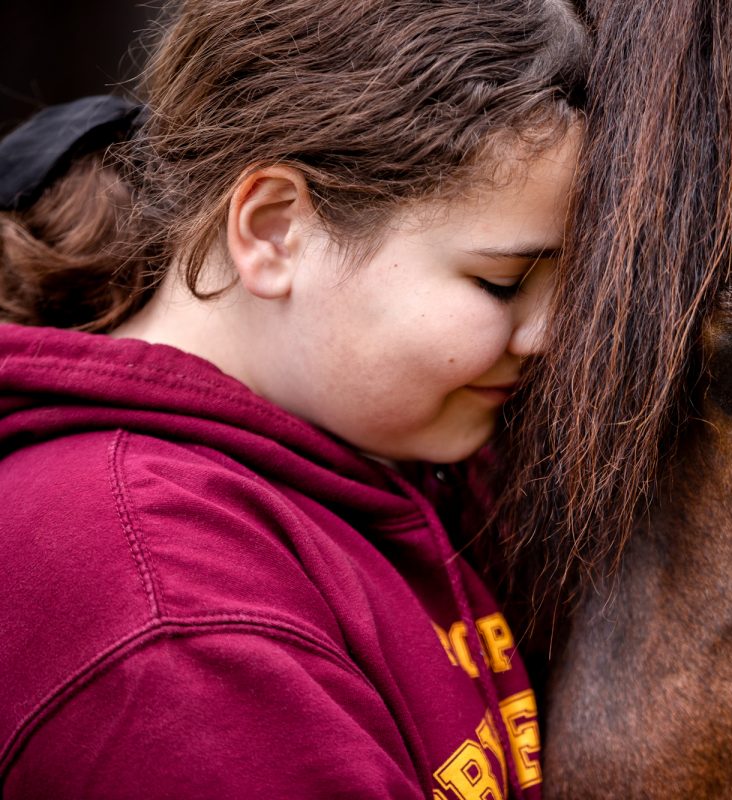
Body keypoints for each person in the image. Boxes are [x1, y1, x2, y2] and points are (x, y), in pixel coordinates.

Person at [0, 1, 586, 797]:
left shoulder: (381, 448)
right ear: (276, 230)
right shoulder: (169, 609)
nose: (546, 336)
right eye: (503, 282)